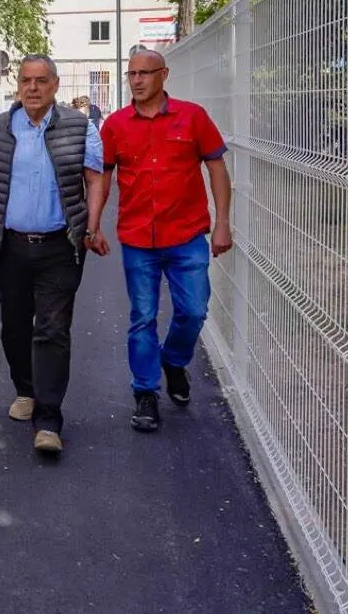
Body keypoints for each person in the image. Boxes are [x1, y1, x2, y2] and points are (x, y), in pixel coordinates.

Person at [0, 55, 106, 455]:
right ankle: (25, 389)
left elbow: (94, 179)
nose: (32, 88)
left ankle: (49, 419)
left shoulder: (80, 127)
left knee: (52, 330)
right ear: (18, 84)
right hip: (10, 245)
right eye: (26, 80)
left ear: (55, 85)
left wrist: (91, 227)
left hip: (60, 245)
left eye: (41, 81)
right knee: (14, 327)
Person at [94, 49, 233, 433]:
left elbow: (217, 169)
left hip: (186, 236)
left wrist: (222, 223)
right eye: (131, 74)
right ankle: (145, 395)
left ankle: (173, 359)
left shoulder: (193, 117)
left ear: (163, 75)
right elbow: (103, 177)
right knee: (142, 317)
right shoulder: (116, 125)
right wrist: (94, 224)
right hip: (138, 238)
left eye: (144, 73)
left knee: (194, 311)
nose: (136, 80)